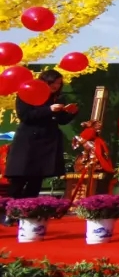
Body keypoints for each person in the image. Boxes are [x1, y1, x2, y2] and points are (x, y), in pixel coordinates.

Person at [3, 69, 77, 203]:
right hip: (28, 141)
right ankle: (10, 207)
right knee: (19, 177)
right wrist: (49, 109)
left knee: (37, 178)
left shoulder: (56, 98)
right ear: (44, 81)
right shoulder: (27, 93)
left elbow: (60, 120)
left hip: (46, 142)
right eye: (53, 82)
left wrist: (71, 112)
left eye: (59, 83)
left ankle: (29, 208)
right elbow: (25, 116)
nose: (56, 86)